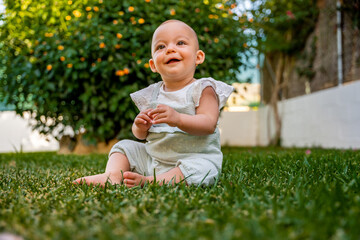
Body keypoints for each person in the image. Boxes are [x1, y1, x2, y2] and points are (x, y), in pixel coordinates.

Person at [74, 19, 234, 187]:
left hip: (193, 159)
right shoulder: (152, 94)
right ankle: (113, 175)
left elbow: (208, 123)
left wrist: (178, 119)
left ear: (198, 57)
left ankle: (152, 182)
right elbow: (141, 136)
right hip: (154, 160)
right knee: (124, 147)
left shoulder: (203, 89)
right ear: (153, 65)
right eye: (161, 47)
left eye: (180, 43)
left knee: (203, 169)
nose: (170, 49)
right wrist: (140, 126)